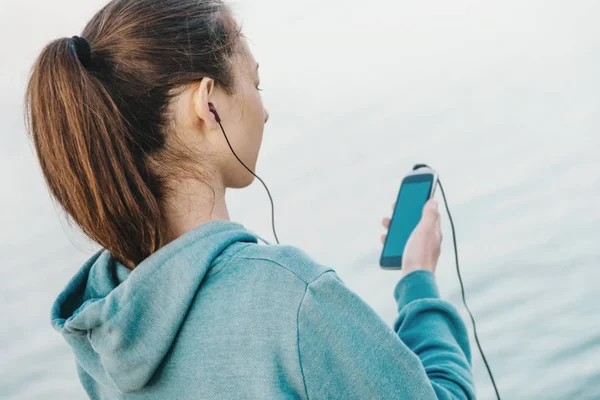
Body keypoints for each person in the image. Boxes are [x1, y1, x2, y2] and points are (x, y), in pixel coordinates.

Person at [25, 0, 476, 398]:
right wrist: (418, 280)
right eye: (255, 84)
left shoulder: (102, 330)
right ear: (208, 103)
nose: (264, 110)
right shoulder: (293, 300)